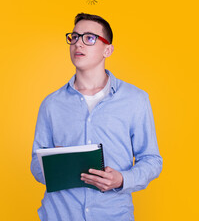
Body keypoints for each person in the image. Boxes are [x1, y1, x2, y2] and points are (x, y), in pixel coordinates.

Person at [30, 13, 162, 220]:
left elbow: (152, 159)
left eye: (89, 38)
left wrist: (122, 179)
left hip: (113, 214)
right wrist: (53, 163)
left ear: (107, 50)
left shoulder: (135, 99)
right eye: (74, 37)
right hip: (59, 214)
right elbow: (35, 166)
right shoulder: (51, 104)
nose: (78, 44)